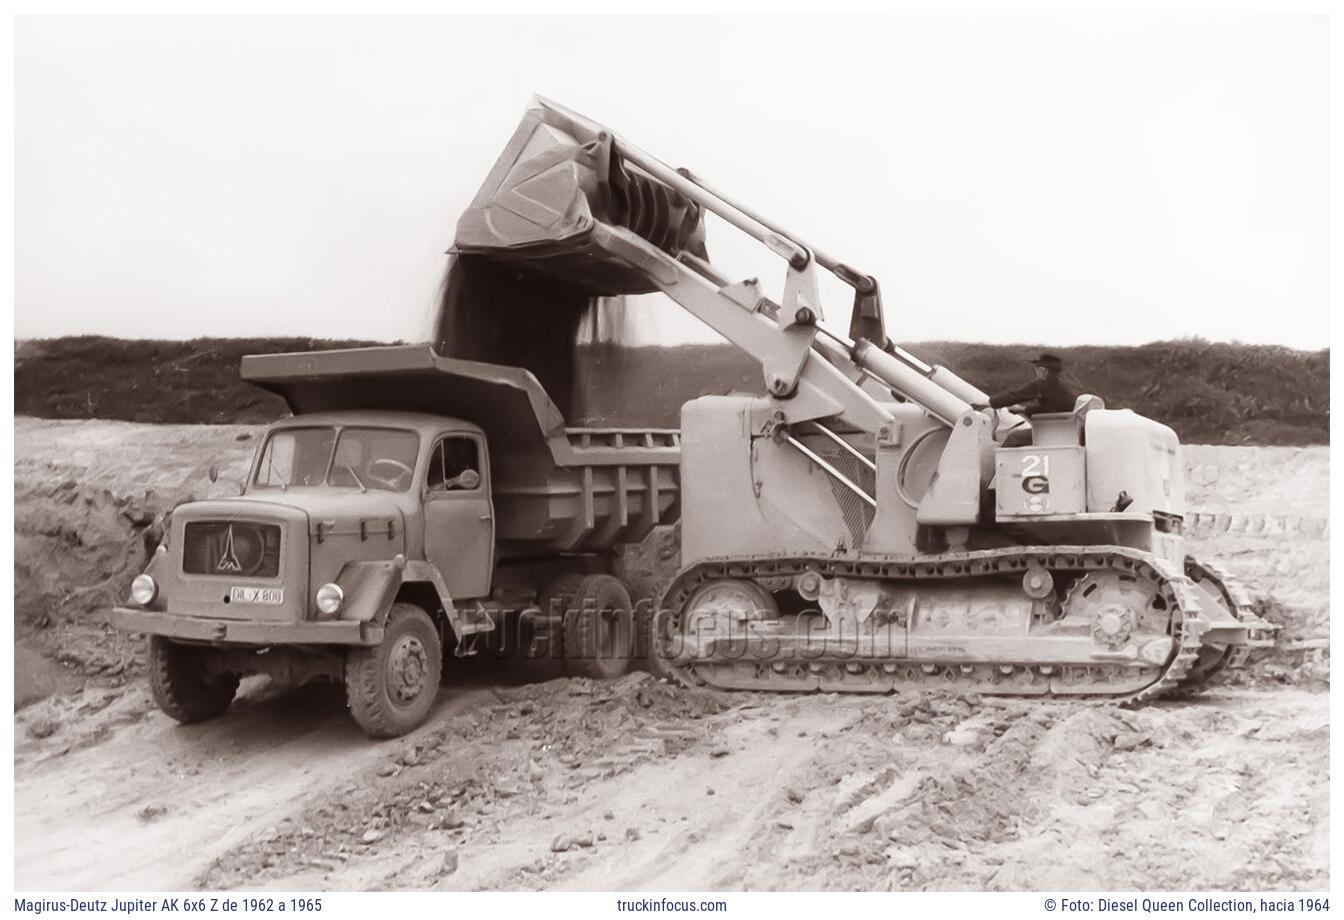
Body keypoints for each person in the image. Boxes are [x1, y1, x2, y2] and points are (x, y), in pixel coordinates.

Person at [971, 354, 1082, 446]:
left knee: (1014, 438)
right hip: (1064, 430)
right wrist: (1023, 409)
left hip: (1051, 431)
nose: (1036, 373)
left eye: (1036, 369)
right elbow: (1051, 409)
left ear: (1043, 371)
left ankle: (999, 469)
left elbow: (1015, 395)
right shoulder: (1063, 387)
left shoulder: (1042, 384)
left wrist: (988, 403)